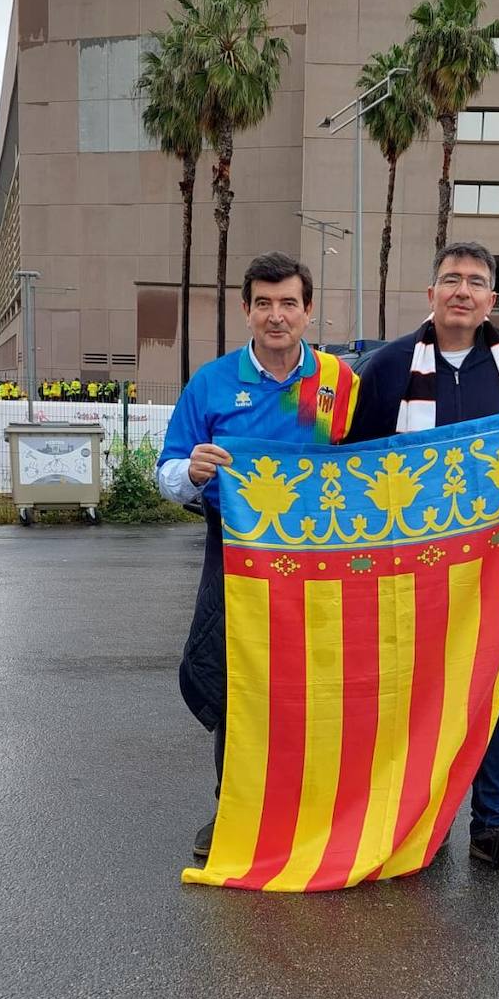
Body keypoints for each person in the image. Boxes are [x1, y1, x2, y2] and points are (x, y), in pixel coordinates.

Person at [346, 241, 499, 880]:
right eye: (451, 279)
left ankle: (491, 828)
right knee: (411, 699)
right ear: (431, 293)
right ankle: (415, 822)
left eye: (476, 282)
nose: (462, 291)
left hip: (491, 572)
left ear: (490, 300)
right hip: (407, 574)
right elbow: (353, 466)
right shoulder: (387, 367)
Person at [157, 251, 359, 857]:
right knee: (237, 679)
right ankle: (233, 808)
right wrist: (190, 472)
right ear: (246, 311)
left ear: (308, 311)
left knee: (321, 683)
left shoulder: (337, 383)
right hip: (238, 553)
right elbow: (166, 469)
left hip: (324, 560)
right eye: (264, 304)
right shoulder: (213, 383)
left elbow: (380, 458)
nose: (277, 316)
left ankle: (320, 809)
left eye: (289, 303)